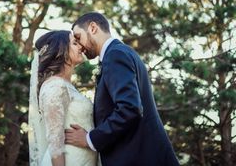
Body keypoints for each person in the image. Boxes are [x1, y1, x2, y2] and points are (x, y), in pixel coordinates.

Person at [65, 12, 179, 166]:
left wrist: (90, 139)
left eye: (78, 37)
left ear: (93, 28)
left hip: (139, 158)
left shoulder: (115, 55)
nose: (79, 46)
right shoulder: (121, 52)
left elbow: (129, 108)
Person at [28, 30, 97, 166]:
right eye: (74, 43)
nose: (81, 47)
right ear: (61, 49)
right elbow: (55, 143)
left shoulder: (66, 86)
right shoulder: (55, 86)